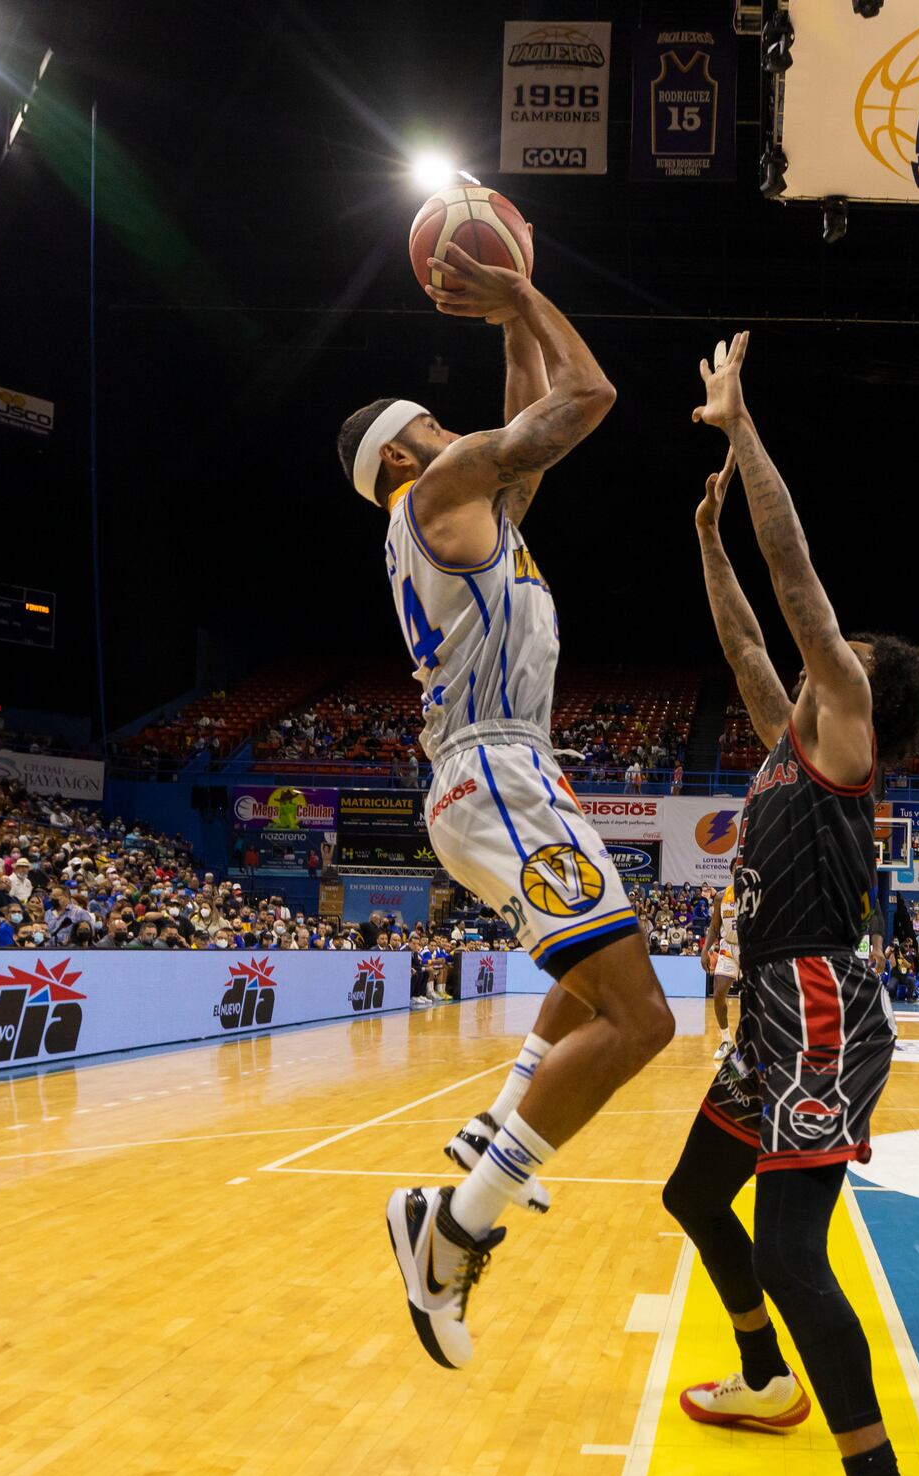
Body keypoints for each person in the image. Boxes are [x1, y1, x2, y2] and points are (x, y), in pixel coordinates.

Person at [659, 332, 919, 1476]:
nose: (834, 647)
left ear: (864, 686)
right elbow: (745, 625)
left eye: (848, 647)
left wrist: (743, 434)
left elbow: (800, 586)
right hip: (774, 1015)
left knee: (793, 1250)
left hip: (821, 1006)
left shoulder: (843, 721)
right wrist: (708, 536)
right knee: (690, 1194)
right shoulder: (789, 740)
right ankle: (767, 1373)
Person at [347, 235, 675, 1370]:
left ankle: (501, 1118)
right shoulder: (439, 488)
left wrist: (504, 329)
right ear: (405, 448)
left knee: (599, 987)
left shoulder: (461, 508)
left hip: (501, 773)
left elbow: (533, 422)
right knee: (640, 1020)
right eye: (431, 423)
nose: (455, 427)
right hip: (497, 773)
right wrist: (527, 290)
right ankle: (452, 1230)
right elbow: (588, 396)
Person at [702, 856, 742, 1058]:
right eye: (736, 868)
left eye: (742, 867)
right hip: (727, 948)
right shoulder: (720, 897)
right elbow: (714, 927)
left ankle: (753, 1041)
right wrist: (705, 950)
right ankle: (726, 1040)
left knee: (753, 998)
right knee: (718, 994)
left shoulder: (754, 894)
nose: (739, 870)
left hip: (748, 948)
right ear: (731, 871)